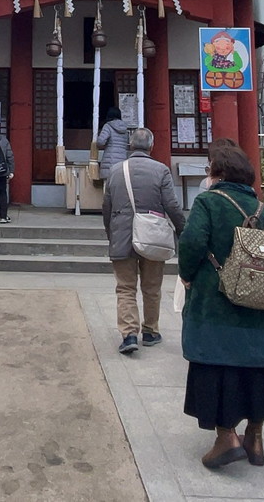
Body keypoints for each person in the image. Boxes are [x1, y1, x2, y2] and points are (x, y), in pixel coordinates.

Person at [178, 138, 264, 470]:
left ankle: (226, 437)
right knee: (257, 370)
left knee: (217, 365)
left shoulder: (208, 202)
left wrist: (187, 275)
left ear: (217, 172)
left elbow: (191, 242)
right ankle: (255, 438)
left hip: (218, 304)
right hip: (263, 305)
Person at [102, 126, 185, 355]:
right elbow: (172, 205)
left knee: (125, 288)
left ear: (130, 145)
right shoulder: (161, 171)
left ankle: (129, 334)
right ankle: (150, 331)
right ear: (151, 146)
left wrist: (111, 233)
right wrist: (181, 230)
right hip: (152, 236)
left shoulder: (116, 170)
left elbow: (106, 207)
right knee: (152, 287)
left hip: (122, 234)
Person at [95, 106, 129, 179]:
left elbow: (100, 142)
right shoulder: (125, 129)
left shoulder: (108, 126)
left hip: (109, 162)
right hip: (122, 162)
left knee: (108, 187)